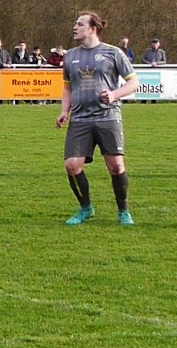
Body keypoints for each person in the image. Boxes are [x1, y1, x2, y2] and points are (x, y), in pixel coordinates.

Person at [56, 11, 141, 224]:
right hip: (80, 118)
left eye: (80, 24)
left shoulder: (113, 53)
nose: (75, 27)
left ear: (92, 29)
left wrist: (114, 94)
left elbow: (134, 82)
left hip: (108, 116)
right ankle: (86, 209)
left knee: (116, 166)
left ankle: (123, 211)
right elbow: (67, 88)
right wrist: (65, 111)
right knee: (72, 165)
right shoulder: (70, 56)